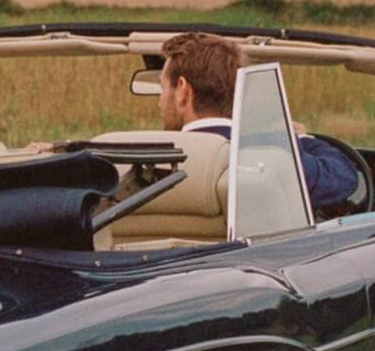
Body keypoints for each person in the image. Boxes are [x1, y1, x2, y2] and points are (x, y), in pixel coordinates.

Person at [155, 31, 362, 216]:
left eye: (162, 87)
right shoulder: (275, 156)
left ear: (182, 90)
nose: (159, 100)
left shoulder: (144, 161)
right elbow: (344, 176)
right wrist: (300, 139)